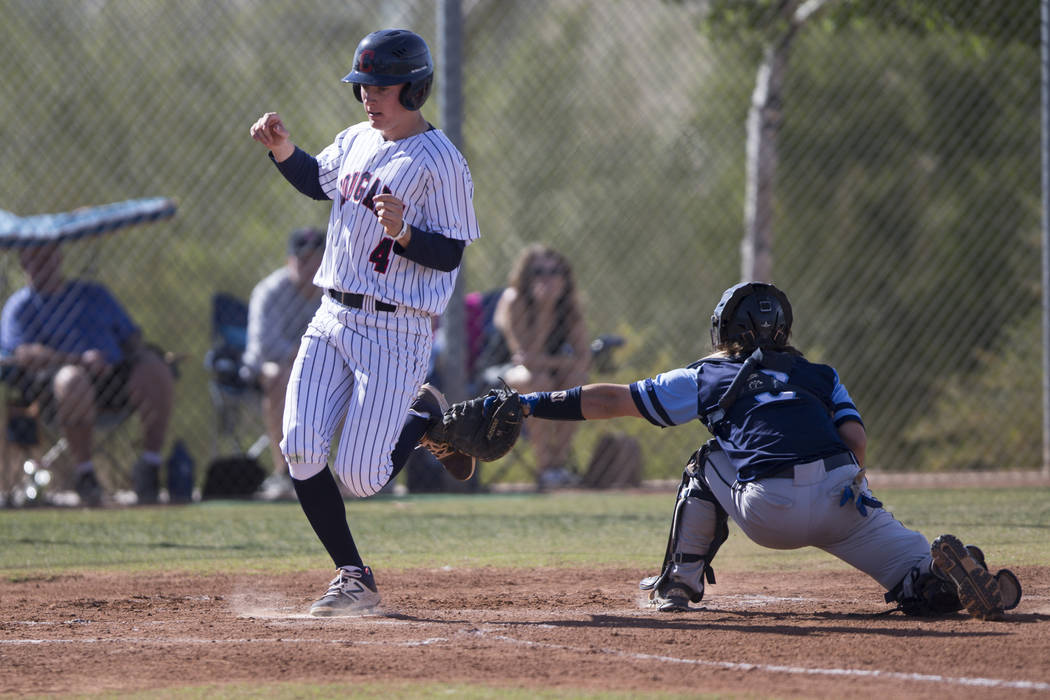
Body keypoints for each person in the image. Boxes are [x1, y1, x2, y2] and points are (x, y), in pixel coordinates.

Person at [492, 281, 1020, 619]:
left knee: (706, 460)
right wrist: (847, 496)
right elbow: (856, 441)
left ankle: (679, 583)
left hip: (772, 509)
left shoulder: (710, 373)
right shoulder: (818, 373)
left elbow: (615, 399)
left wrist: (528, 405)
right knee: (914, 577)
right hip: (844, 498)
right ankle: (942, 579)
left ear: (725, 328)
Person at [249, 28, 480, 616]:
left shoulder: (441, 162)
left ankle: (426, 414)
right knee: (299, 446)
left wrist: (403, 231)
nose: (369, 97)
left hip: (396, 329)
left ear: (415, 86)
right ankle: (354, 575)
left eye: (381, 85)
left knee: (362, 476)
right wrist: (282, 149)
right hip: (331, 315)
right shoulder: (355, 139)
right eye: (363, 86)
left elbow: (450, 252)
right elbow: (315, 180)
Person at [0, 242, 175, 506]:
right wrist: (79, 360)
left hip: (113, 379)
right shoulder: (20, 306)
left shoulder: (93, 294)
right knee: (73, 378)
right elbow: (24, 354)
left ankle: (150, 466)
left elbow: (131, 336)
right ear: (23, 263)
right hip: (55, 390)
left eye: (48, 256)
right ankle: (85, 475)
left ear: (59, 258)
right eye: (34, 259)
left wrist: (138, 354)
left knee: (155, 368)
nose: (43, 264)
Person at [491, 245, 590, 488]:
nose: (548, 278)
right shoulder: (514, 300)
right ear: (527, 275)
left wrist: (560, 364)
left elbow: (583, 359)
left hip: (545, 373)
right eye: (539, 271)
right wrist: (544, 311)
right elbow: (524, 357)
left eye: (555, 271)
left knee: (576, 379)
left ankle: (558, 461)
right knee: (540, 381)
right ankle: (546, 467)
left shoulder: (568, 306)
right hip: (502, 374)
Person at [242, 227, 325, 496]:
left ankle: (352, 473)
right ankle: (285, 473)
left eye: (317, 258)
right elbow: (267, 347)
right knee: (281, 375)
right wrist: (306, 354)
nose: (310, 266)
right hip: (269, 369)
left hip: (319, 368)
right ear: (289, 260)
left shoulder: (334, 290)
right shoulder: (271, 291)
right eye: (302, 259)